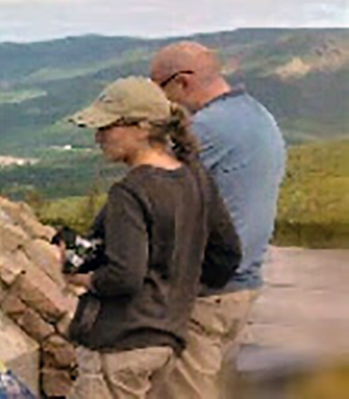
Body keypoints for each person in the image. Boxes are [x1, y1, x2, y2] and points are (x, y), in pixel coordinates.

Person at [64, 77, 241, 399]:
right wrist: (176, 289)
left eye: (107, 127)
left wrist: (84, 279)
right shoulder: (195, 177)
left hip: (118, 343)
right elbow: (226, 255)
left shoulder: (129, 193)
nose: (98, 137)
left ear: (143, 128)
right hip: (167, 339)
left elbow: (124, 277)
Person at [150, 41, 286, 398]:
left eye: (161, 91)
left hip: (206, 293)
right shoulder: (259, 116)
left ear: (182, 82)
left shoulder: (205, 130)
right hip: (244, 285)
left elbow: (152, 193)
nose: (163, 105)